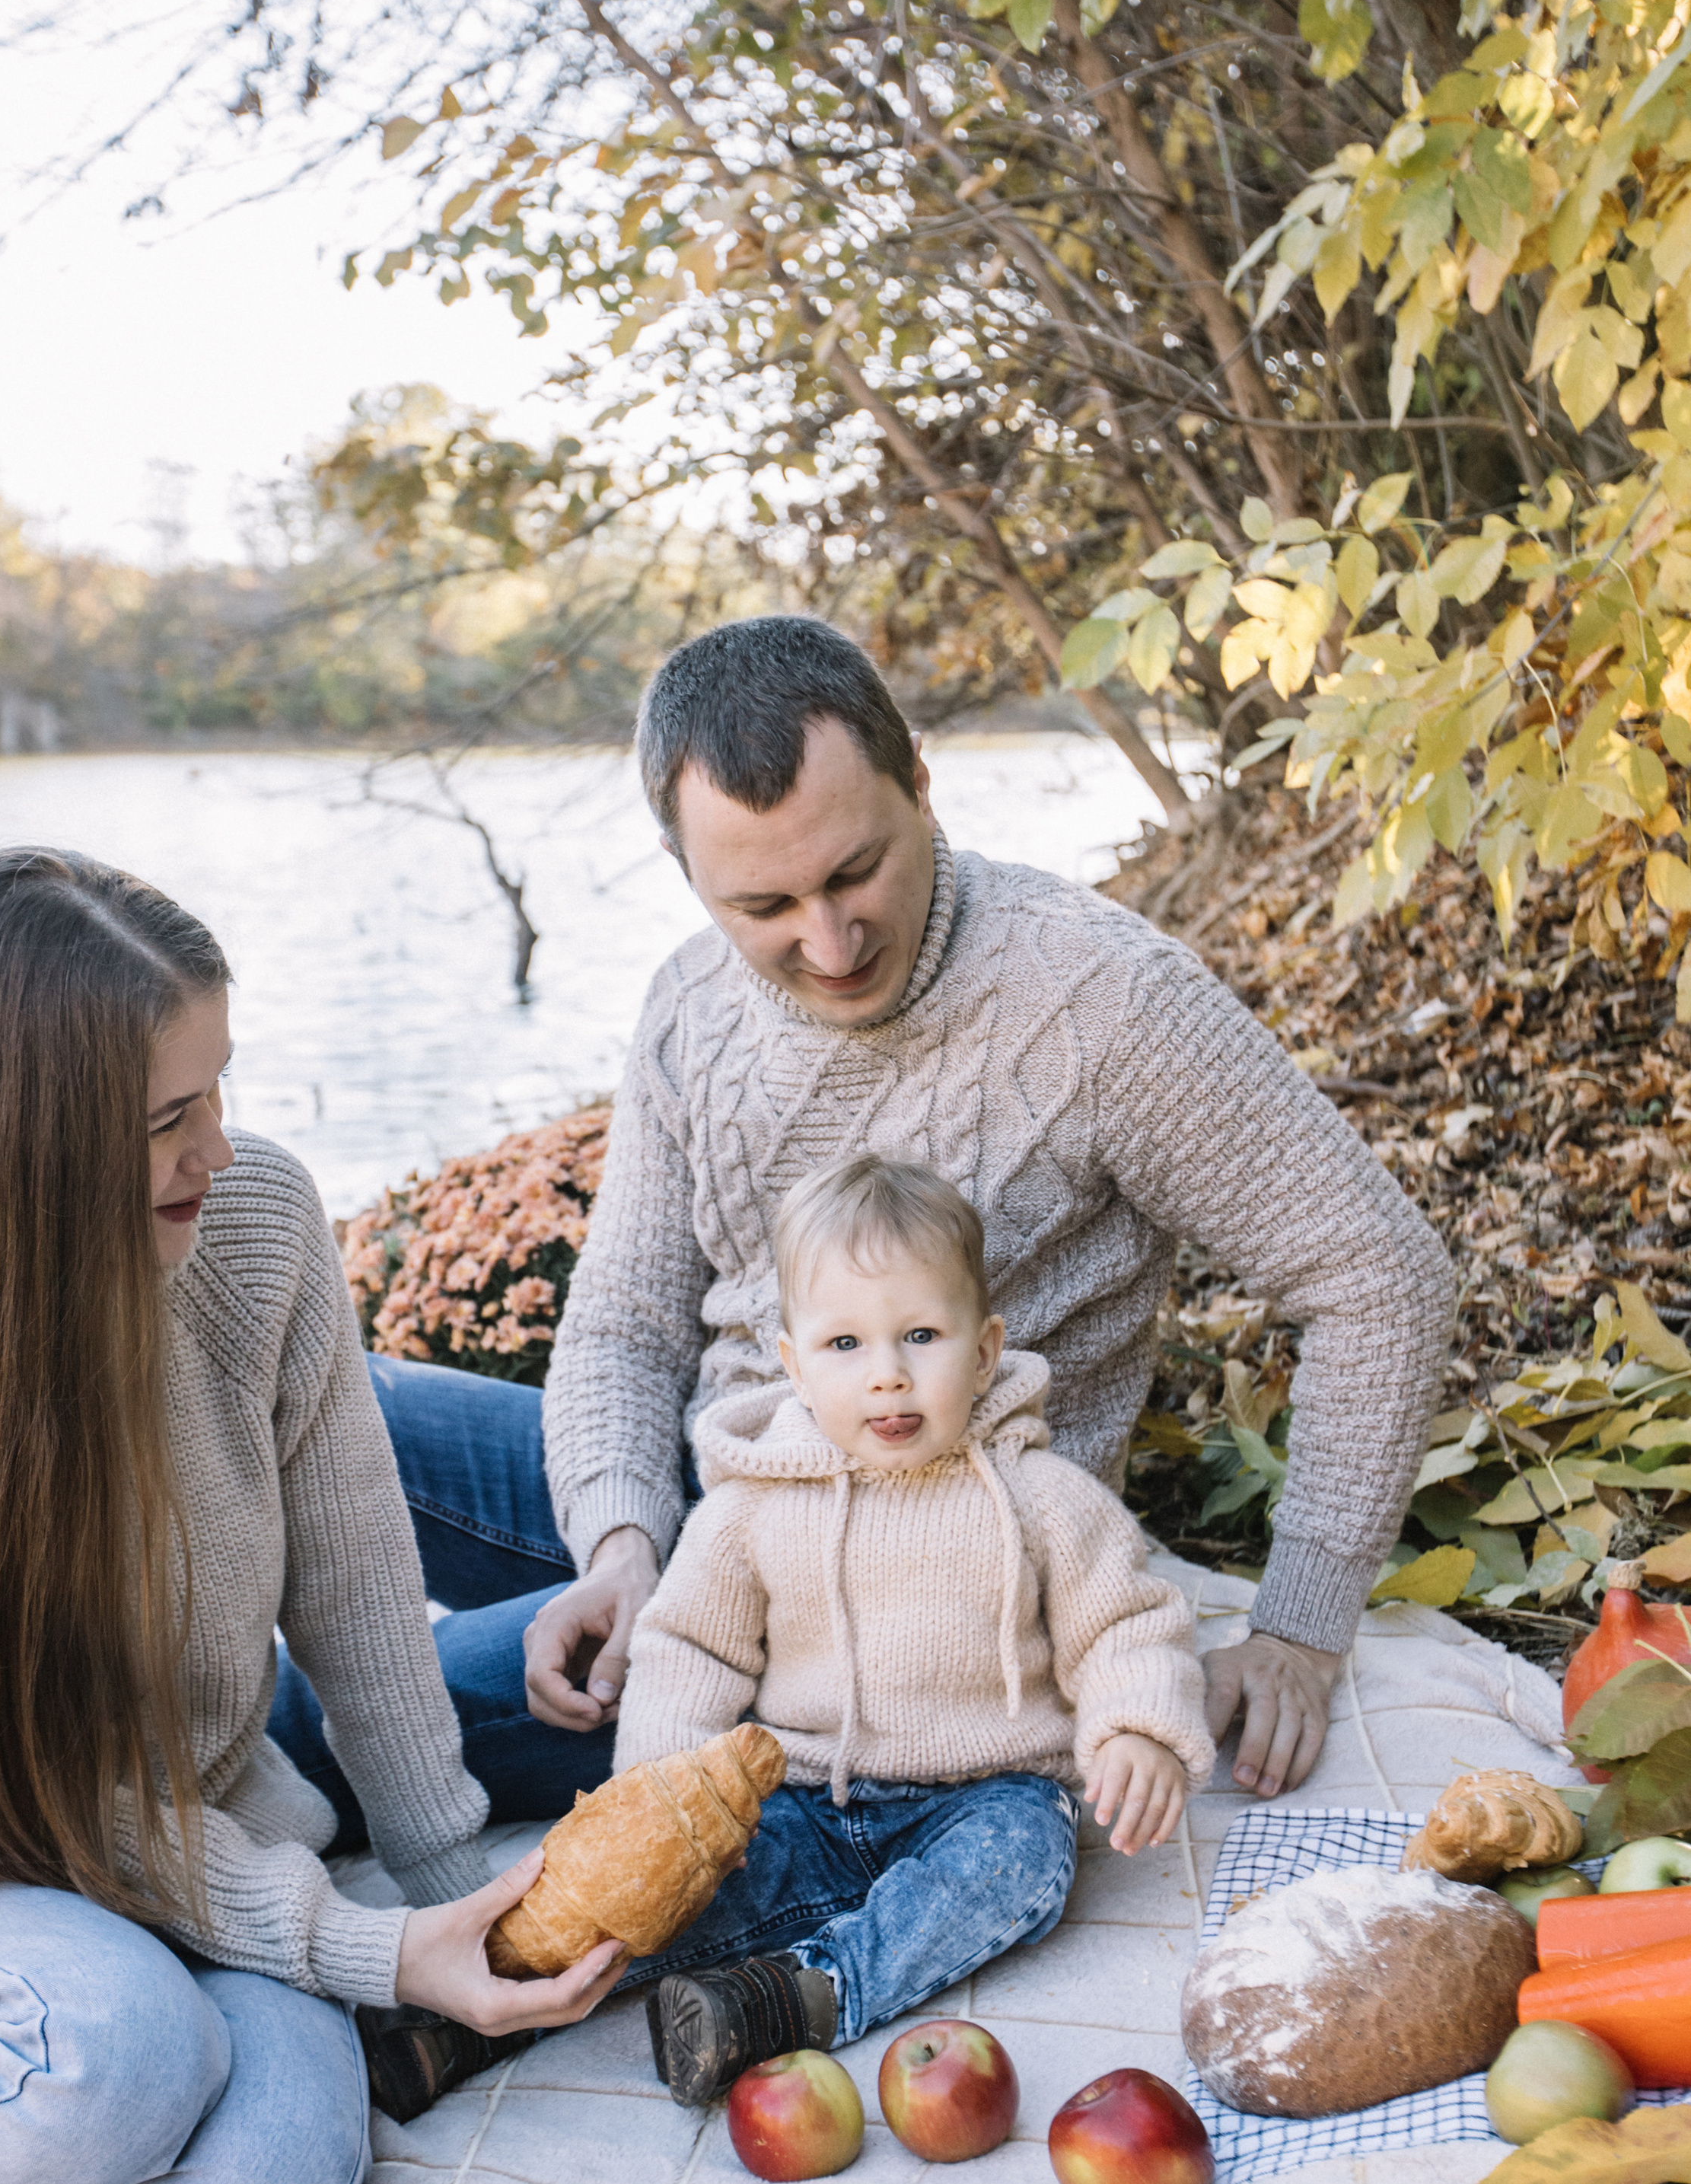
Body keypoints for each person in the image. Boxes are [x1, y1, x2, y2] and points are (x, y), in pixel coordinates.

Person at [278, 614, 1452, 1825]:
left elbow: (1380, 1279)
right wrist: (621, 1546)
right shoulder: (689, 1002)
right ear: (684, 867)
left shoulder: (1107, 1003)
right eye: (766, 904)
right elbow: (626, 1324)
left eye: (855, 873)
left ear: (920, 784)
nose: (830, 944)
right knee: (291, 1397)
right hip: (712, 1506)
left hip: (883, 1603)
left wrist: (1300, 1629)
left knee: (286, 1732)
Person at [0, 851, 620, 2184]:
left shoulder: (254, 1224)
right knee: (122, 2048)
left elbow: (359, 1592)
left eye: (216, 1090)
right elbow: (24, 1799)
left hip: (181, 1831)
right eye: (165, 1121)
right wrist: (359, 1951)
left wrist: (443, 1906)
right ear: (14, 1144)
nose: (216, 1148)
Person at [613, 1155, 1212, 2103]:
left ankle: (796, 1998)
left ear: (983, 1352)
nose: (888, 1375)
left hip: (983, 1797)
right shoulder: (749, 1510)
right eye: (845, 1344)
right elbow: (689, 1649)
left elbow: (1124, 1626)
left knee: (1024, 1863)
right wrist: (659, 1796)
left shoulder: (1040, 1497)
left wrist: (1136, 1728)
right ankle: (477, 2010)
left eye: (922, 1336)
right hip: (805, 1799)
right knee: (667, 1896)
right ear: (793, 1365)